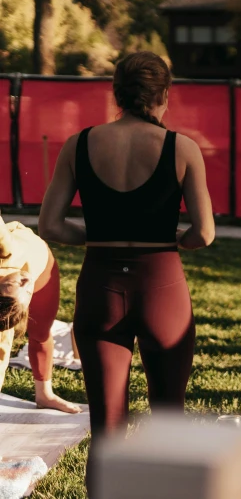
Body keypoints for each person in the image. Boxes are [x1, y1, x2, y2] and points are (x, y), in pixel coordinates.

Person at [38, 51, 215, 491]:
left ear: (115, 94)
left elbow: (50, 225)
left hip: (100, 285)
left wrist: (98, 237)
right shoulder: (183, 148)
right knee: (169, 420)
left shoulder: (79, 144)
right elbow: (204, 234)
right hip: (162, 286)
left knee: (108, 428)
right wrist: (172, 240)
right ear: (165, 97)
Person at [0, 213, 80, 413]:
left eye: (19, 284)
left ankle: (45, 394)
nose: (27, 282)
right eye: (27, 292)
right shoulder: (20, 290)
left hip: (42, 262)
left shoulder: (5, 249)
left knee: (41, 333)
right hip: (37, 267)